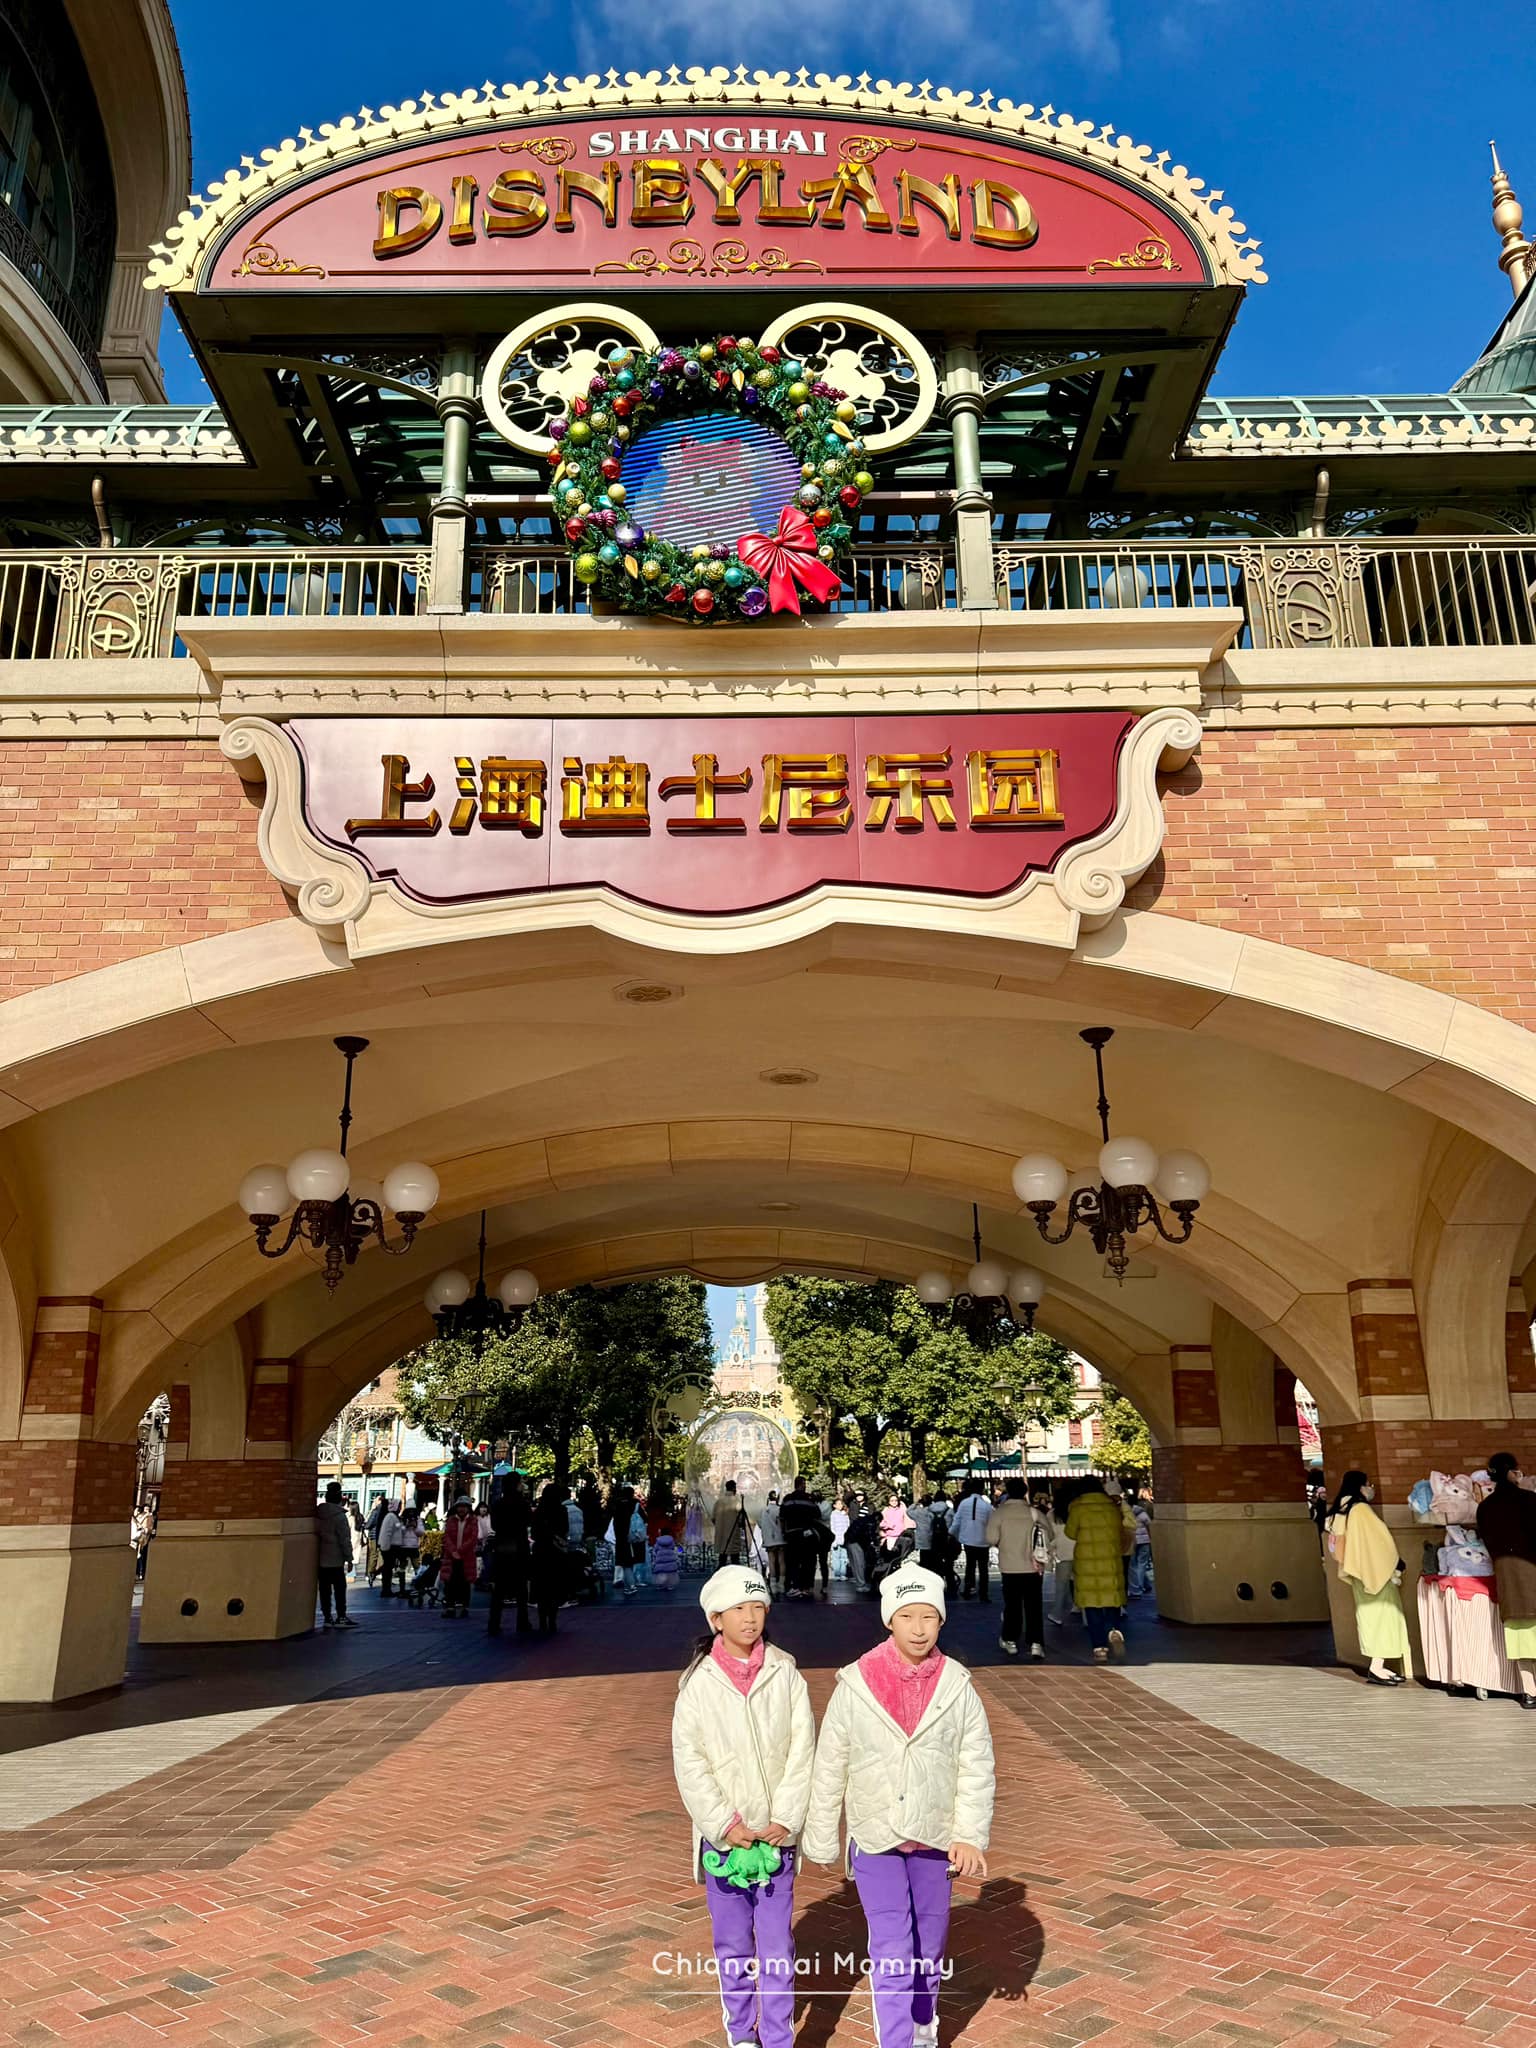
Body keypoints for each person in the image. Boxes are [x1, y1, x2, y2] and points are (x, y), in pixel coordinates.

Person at [803, 1564, 995, 2048]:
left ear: (942, 1620)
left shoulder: (957, 1686)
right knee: (891, 1946)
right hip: (876, 1835)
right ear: (890, 1619)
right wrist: (822, 1834)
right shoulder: (856, 1684)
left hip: (935, 1836)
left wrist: (969, 1834)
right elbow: (831, 1763)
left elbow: (976, 1765)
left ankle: (923, 2019)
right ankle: (897, 2040)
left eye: (929, 1616)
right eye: (907, 1616)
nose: (918, 1628)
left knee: (928, 1943)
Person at [671, 1565, 815, 2048]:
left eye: (758, 1607)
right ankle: (740, 2031)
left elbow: (802, 1750)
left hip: (775, 1840)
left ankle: (777, 2036)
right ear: (716, 1619)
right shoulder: (698, 1683)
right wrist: (722, 1823)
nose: (750, 1618)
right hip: (724, 1845)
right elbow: (690, 1761)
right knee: (732, 1942)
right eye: (738, 1609)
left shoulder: (785, 1673)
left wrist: (785, 1818)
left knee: (776, 1944)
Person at [1326, 1469, 1410, 1685]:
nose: (1371, 1488)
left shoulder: (1340, 1510)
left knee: (1369, 1618)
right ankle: (1377, 1667)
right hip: (1375, 1572)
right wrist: (1396, 1562)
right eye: (1368, 1483)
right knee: (1384, 1616)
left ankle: (1378, 1664)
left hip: (1357, 1572)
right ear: (1360, 1486)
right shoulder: (1361, 1509)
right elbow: (1378, 1540)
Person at [1476, 1452, 1536, 1707]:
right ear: (1512, 1473)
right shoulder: (1529, 1500)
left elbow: (1488, 1542)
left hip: (1507, 1577)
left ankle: (1529, 1691)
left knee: (1520, 1637)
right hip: (1532, 1571)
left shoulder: (1485, 1507)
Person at [1065, 1478, 1127, 1662]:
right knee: (1112, 1600)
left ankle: (1099, 1648)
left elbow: (1070, 1533)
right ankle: (1113, 1630)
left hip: (1087, 1563)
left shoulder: (1077, 1507)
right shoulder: (1111, 1507)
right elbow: (1120, 1530)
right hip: (1110, 1558)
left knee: (1092, 1606)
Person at [993, 1478, 1050, 1659]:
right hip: (1033, 1566)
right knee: (1034, 1606)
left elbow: (990, 1538)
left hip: (1009, 1566)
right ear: (1025, 1492)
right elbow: (1050, 1534)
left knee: (1012, 1605)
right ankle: (1036, 1643)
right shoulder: (1034, 1513)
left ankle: (1010, 1639)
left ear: (1008, 1492)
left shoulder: (999, 1514)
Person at [487, 1474, 531, 1637]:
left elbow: (494, 1525)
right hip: (519, 1546)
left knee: (499, 1589)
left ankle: (494, 1623)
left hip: (502, 1546)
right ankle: (522, 1621)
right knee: (521, 1587)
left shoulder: (498, 1504)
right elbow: (528, 1521)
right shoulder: (523, 1503)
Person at [315, 1482, 357, 1630]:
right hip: (336, 1558)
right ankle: (341, 1616)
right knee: (339, 1589)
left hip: (321, 1558)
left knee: (324, 1590)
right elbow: (344, 1539)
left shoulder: (318, 1514)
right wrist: (349, 1558)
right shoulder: (339, 1517)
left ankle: (327, 1617)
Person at [529, 1482, 569, 1635]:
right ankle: (552, 1619)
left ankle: (542, 1620)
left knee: (541, 1588)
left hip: (541, 1552)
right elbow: (565, 1529)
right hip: (556, 1553)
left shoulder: (539, 1511)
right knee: (554, 1587)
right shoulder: (562, 1510)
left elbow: (534, 1533)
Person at [777, 1477, 822, 1599]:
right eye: (804, 1484)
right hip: (808, 1535)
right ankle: (807, 1587)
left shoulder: (788, 1499)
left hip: (792, 1534)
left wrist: (784, 1532)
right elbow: (818, 1515)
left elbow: (782, 1517)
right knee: (808, 1561)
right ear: (802, 1485)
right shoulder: (809, 1499)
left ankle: (794, 1587)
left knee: (793, 1562)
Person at [952, 1480, 994, 1603]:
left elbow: (957, 1520)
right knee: (983, 1569)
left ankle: (967, 1590)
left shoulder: (964, 1503)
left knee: (970, 1566)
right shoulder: (986, 1506)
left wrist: (951, 1533)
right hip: (983, 1541)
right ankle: (984, 1594)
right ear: (982, 1490)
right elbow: (992, 1523)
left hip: (968, 1539)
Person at [440, 1495, 480, 1619]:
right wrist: (453, 1551)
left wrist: (460, 1551)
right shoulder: (451, 1520)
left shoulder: (473, 1521)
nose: (462, 1509)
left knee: (465, 1583)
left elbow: (473, 1538)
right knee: (450, 1582)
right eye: (460, 1506)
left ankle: (464, 1607)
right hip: (451, 1557)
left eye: (464, 1507)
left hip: (466, 1557)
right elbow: (446, 1537)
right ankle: (450, 1607)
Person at [1047, 1485, 1076, 1627]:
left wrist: (1051, 1549)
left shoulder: (1052, 1514)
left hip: (1063, 1553)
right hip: (1080, 1551)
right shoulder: (1077, 1511)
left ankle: (1057, 1614)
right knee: (1082, 1585)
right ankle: (1085, 1615)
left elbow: (1049, 1535)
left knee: (1061, 1586)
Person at [376, 1498, 406, 1599]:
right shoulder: (390, 1517)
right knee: (387, 1569)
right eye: (399, 1506)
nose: (400, 1508)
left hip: (393, 1546)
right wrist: (385, 1547)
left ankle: (387, 1589)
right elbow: (387, 1533)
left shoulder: (394, 1517)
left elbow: (399, 1528)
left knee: (389, 1568)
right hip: (389, 1547)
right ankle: (386, 1589)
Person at [713, 1480, 749, 1565]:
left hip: (721, 1536)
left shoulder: (718, 1502)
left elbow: (713, 1518)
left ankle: (721, 1572)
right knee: (735, 1560)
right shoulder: (736, 1501)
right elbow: (741, 1519)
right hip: (733, 1536)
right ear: (734, 1488)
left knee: (722, 1559)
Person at [1127, 1493, 1155, 1599]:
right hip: (1144, 1541)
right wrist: (1151, 1537)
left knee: (1133, 1565)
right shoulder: (1141, 1512)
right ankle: (1140, 1585)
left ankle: (1142, 1585)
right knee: (1142, 1563)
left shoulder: (1126, 1512)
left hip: (1132, 1541)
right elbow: (1148, 1524)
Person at [759, 1490, 785, 1591]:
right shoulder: (779, 1509)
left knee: (772, 1562)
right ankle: (781, 1584)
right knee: (781, 1561)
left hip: (769, 1540)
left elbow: (760, 1524)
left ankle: (773, 1585)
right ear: (777, 1498)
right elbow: (782, 1523)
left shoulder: (764, 1510)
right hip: (780, 1538)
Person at [812, 1491, 834, 1595]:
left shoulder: (826, 1504)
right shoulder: (812, 1504)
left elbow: (823, 1516)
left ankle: (824, 1585)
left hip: (823, 1535)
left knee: (823, 1562)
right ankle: (811, 1585)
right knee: (812, 1562)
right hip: (814, 1535)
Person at [651, 1525, 681, 1593]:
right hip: (670, 1560)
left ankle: (660, 1585)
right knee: (670, 1572)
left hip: (660, 1559)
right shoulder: (671, 1540)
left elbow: (655, 1549)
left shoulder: (658, 1541)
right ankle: (669, 1585)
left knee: (661, 1572)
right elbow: (673, 1548)